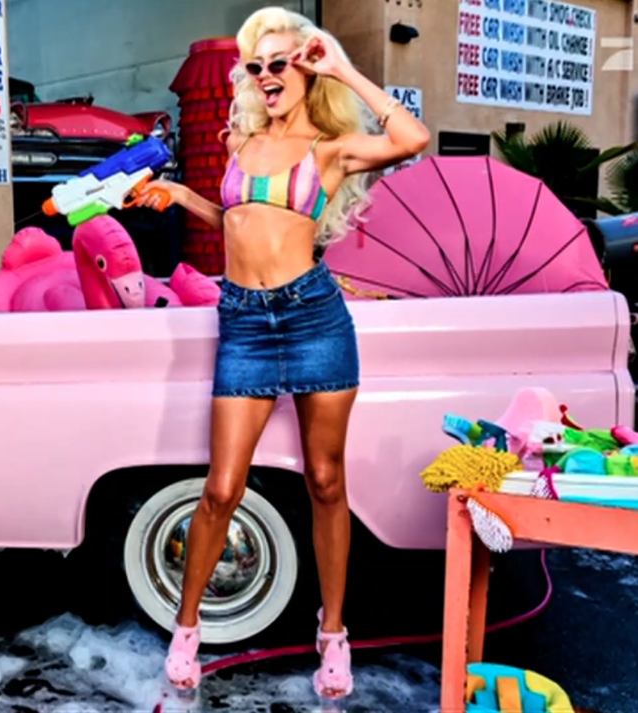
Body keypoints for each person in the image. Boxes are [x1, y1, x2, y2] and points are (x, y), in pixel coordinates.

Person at [139, 8, 430, 700]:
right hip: (243, 322)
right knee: (221, 488)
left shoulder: (329, 147)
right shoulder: (240, 141)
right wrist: (182, 195)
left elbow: (412, 138)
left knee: (325, 481)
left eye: (280, 62)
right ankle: (187, 628)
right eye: (256, 65)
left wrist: (343, 68)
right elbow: (240, 222)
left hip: (312, 318)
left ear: (305, 68)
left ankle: (333, 633)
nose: (266, 75)